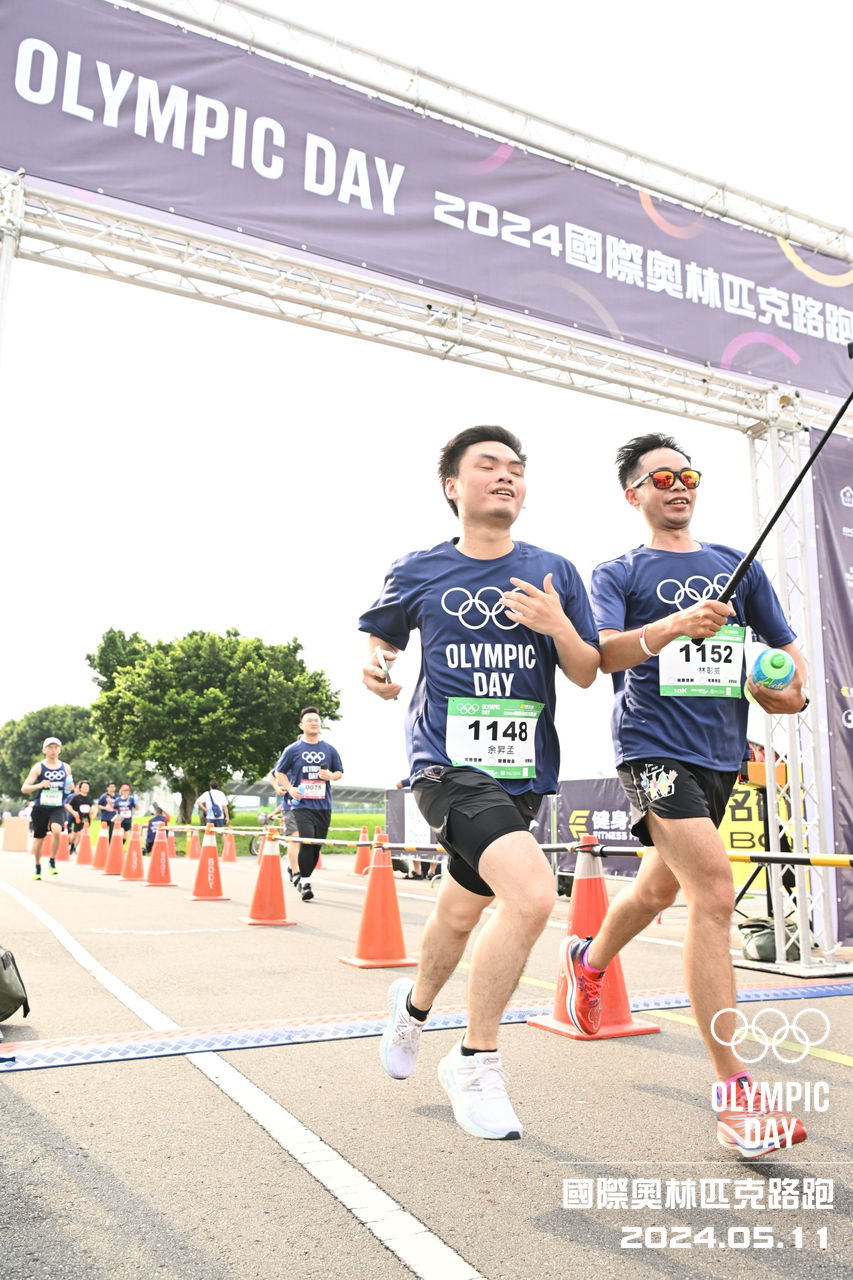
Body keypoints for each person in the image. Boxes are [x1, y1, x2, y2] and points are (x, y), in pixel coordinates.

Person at [571, 431, 810, 1159]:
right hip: (651, 747)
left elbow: (788, 670)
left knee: (656, 890)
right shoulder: (617, 571)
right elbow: (601, 654)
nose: (678, 486)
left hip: (719, 756)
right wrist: (675, 625)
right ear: (633, 494)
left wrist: (784, 691)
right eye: (662, 477)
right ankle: (735, 1093)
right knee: (713, 890)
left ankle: (587, 959)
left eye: (688, 475)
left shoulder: (739, 566)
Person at [361, 425, 599, 1140]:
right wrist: (376, 665)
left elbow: (585, 670)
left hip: (522, 773)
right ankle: (475, 1060)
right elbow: (383, 637)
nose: (505, 476)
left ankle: (412, 1008)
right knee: (531, 896)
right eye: (488, 465)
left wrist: (557, 624)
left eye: (515, 469)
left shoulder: (553, 570)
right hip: (445, 765)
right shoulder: (419, 569)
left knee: (463, 910)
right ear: (452, 486)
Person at [274, 708, 343, 901]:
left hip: (323, 805)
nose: (314, 723)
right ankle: (305, 883)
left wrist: (331, 776)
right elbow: (279, 772)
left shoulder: (329, 749)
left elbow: (339, 772)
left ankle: (302, 875)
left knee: (316, 847)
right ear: (301, 725)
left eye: (317, 720)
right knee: (307, 840)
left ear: (320, 725)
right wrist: (290, 788)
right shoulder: (292, 750)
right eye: (310, 720)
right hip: (301, 805)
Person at [21, 737, 73, 880]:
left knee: (56, 831)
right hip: (41, 807)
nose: (53, 750)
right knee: (39, 839)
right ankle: (38, 866)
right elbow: (24, 788)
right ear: (44, 750)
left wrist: (70, 787)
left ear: (59, 750)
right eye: (50, 747)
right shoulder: (38, 767)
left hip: (58, 806)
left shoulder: (66, 767)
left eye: (56, 747)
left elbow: (69, 786)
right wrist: (39, 785)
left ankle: (52, 860)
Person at [66, 780, 97, 856]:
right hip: (76, 818)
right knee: (74, 834)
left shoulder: (89, 798)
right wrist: (73, 812)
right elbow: (67, 805)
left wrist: (92, 812)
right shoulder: (76, 797)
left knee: (80, 834)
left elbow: (91, 808)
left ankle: (73, 848)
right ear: (80, 788)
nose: (86, 788)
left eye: (87, 787)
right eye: (84, 786)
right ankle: (68, 844)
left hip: (86, 819)